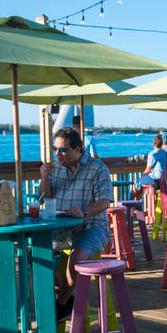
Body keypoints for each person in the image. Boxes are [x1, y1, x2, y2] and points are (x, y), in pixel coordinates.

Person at [38, 128, 113, 317]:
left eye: (63, 150)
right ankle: (60, 292)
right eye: (55, 149)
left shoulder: (97, 167)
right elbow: (45, 198)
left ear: (78, 149)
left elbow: (105, 201)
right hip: (61, 227)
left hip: (92, 225)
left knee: (77, 259)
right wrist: (44, 178)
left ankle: (62, 303)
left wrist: (84, 210)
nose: (58, 154)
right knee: (36, 253)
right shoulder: (56, 169)